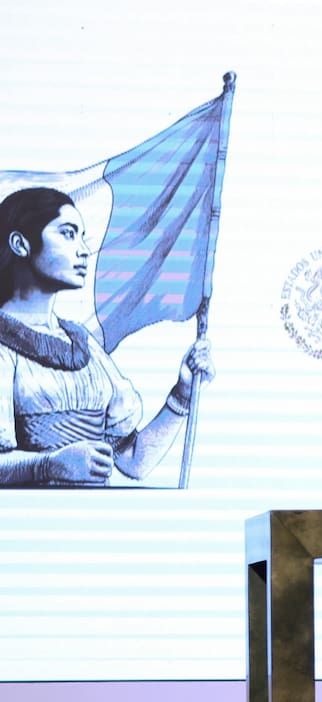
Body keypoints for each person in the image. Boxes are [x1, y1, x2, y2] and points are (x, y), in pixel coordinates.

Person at [0, 186, 214, 486]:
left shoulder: (83, 344)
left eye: (82, 235)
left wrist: (182, 394)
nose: (84, 250)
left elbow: (134, 461)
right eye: (68, 233)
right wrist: (49, 465)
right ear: (20, 244)